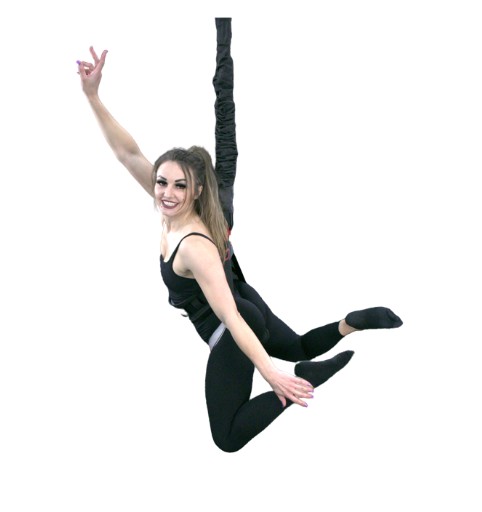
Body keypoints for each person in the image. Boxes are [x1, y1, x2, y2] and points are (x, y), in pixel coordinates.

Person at [77, 18, 403, 453]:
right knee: (300, 345)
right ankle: (352, 323)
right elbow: (128, 152)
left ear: (196, 190)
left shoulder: (194, 244)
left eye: (178, 186)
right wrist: (93, 96)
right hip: (246, 302)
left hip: (235, 325)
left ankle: (302, 377)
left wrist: (274, 376)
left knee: (228, 438)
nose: (166, 193)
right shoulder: (182, 209)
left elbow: (230, 317)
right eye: (161, 182)